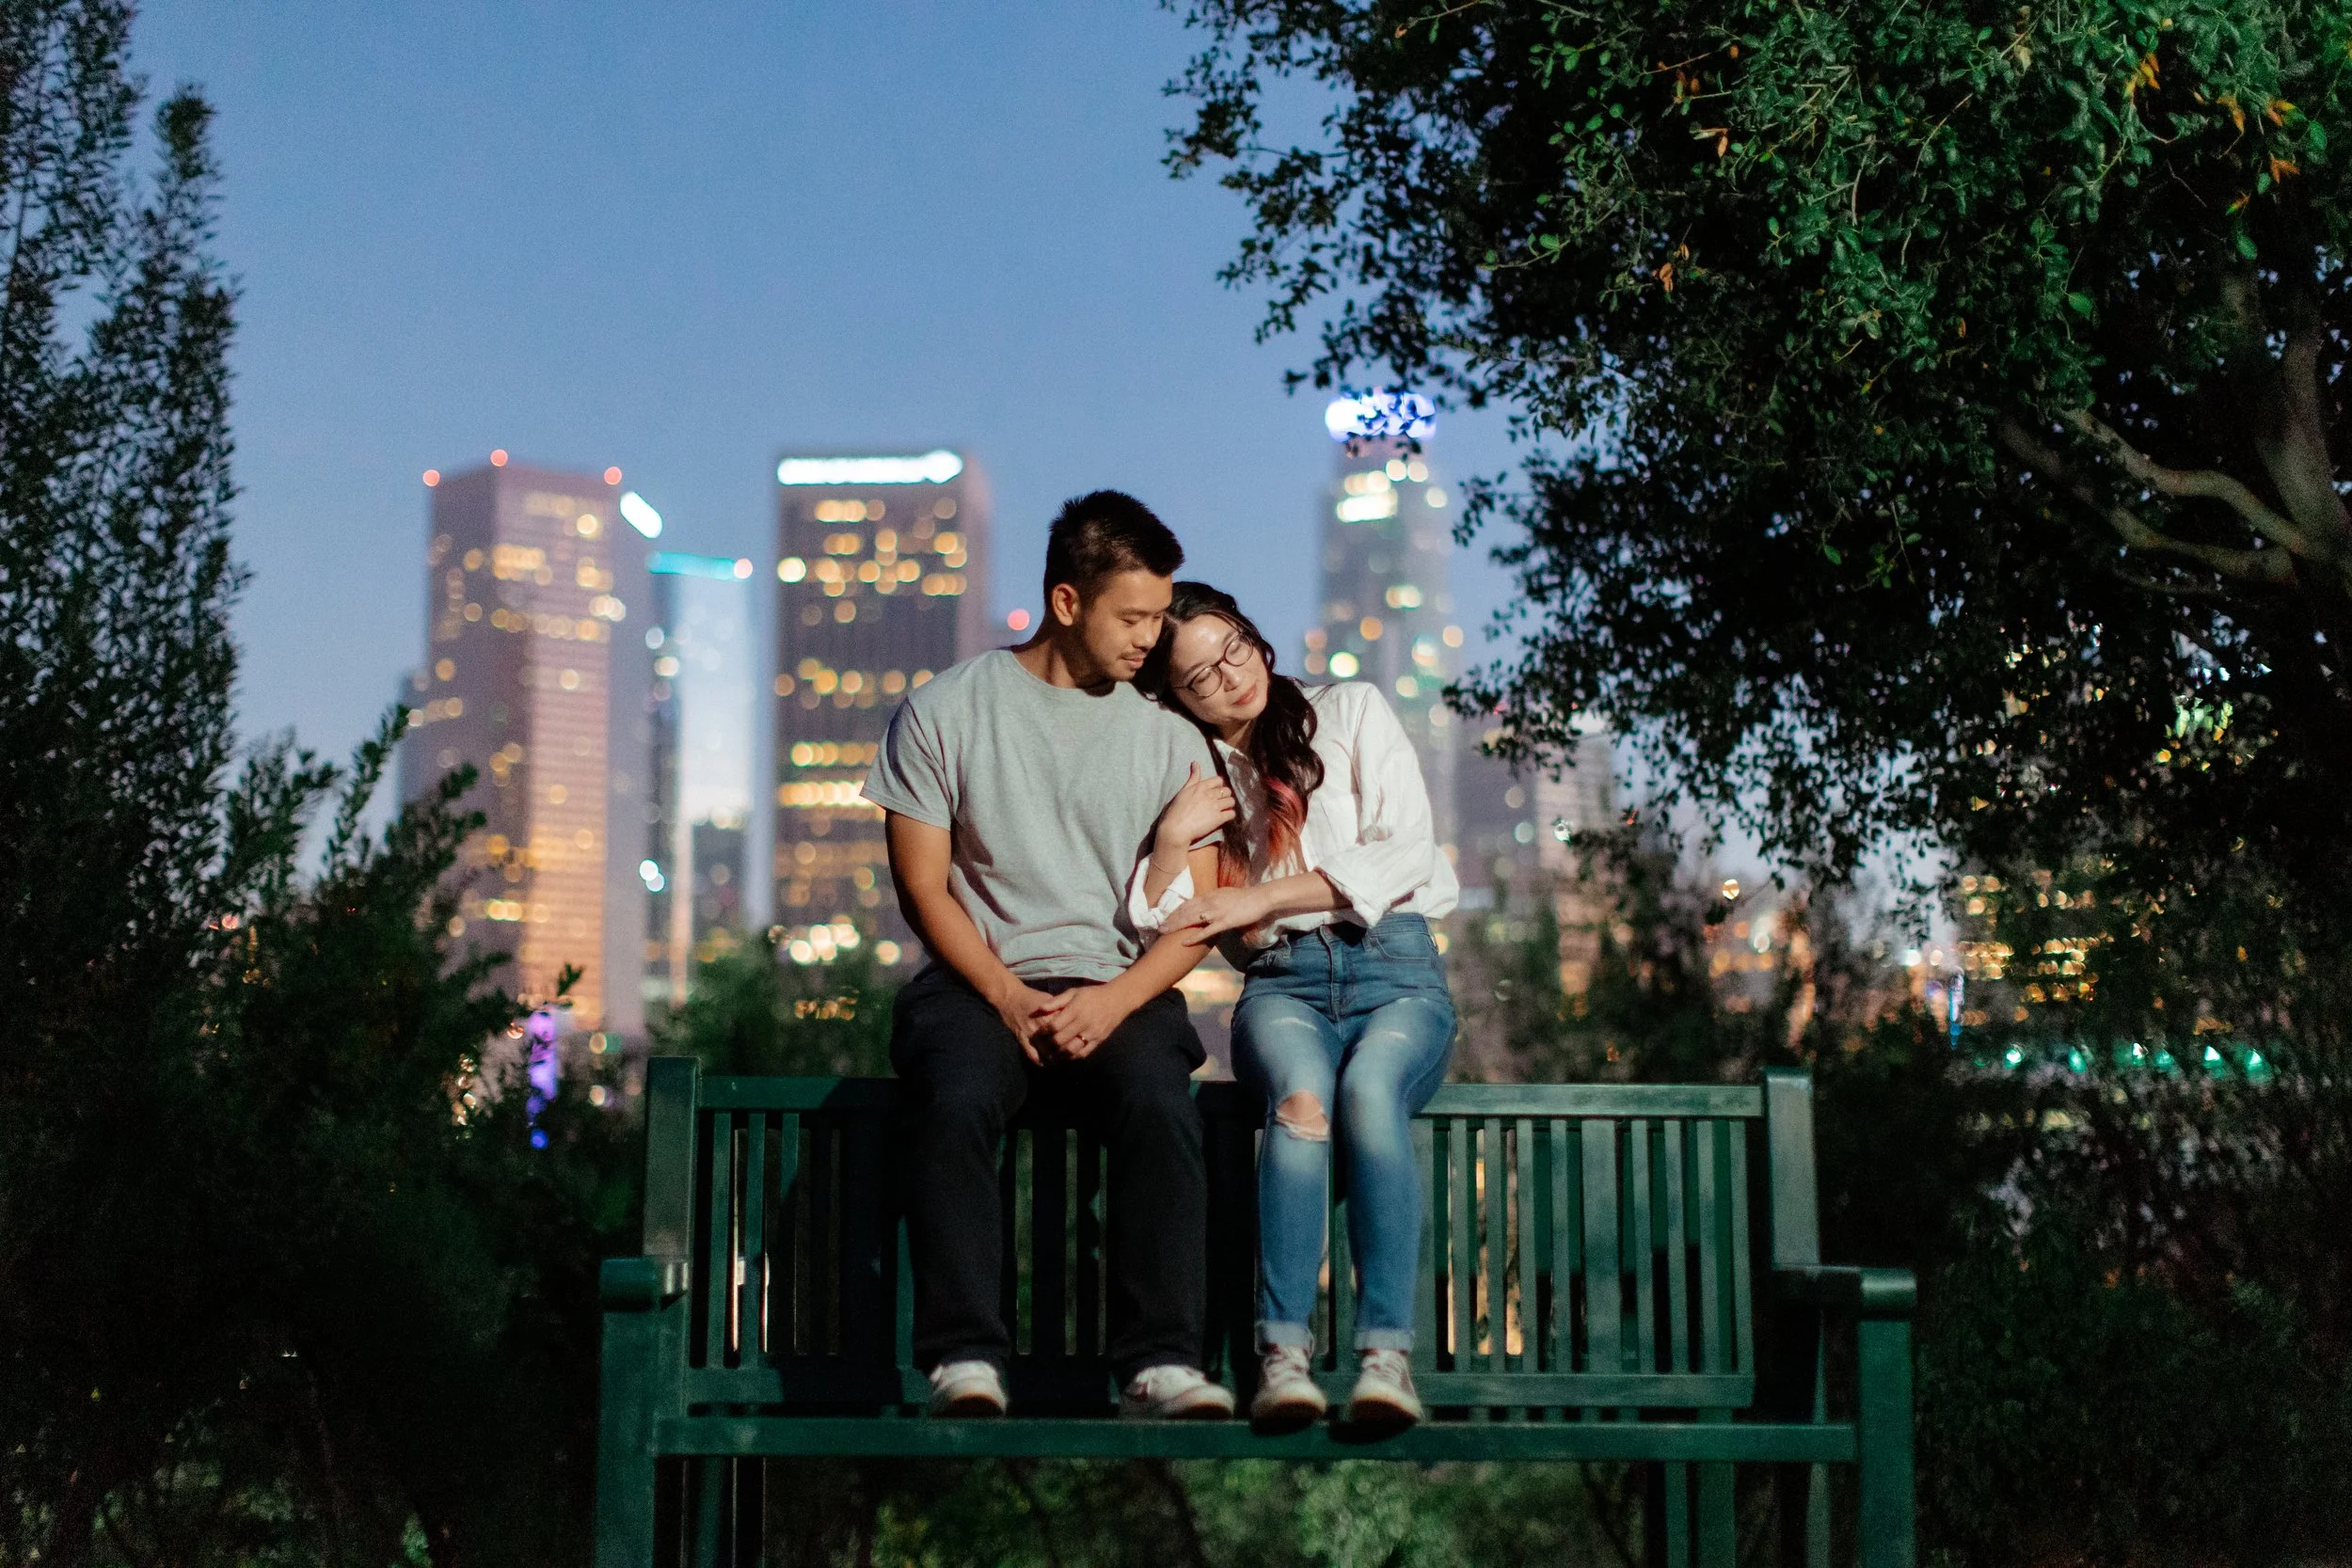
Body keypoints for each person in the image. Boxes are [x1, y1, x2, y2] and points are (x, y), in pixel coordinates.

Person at [864, 492, 1236, 1421]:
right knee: (952, 1098)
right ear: (1067, 602)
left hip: (1121, 984)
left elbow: (1192, 917)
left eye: (1159, 616)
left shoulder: (1171, 738)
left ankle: (1160, 1361)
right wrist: (1001, 991)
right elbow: (923, 889)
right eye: (1133, 617)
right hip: (977, 982)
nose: (1151, 638)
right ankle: (965, 1357)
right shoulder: (944, 710)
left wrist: (1114, 1000)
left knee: (1160, 1102)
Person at [1134, 582, 1457, 1429]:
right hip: (1283, 984)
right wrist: (1171, 839)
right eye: (1200, 677)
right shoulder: (1199, 774)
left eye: (1233, 648)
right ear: (1177, 697)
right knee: (1302, 1102)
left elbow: (1406, 849)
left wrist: (1261, 898)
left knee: (1371, 1093)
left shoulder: (1349, 710)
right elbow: (1158, 921)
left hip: (1395, 969)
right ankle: (1282, 1357)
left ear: (1253, 633)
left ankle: (1386, 1360)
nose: (1230, 677)